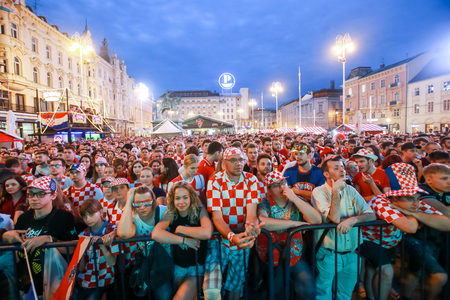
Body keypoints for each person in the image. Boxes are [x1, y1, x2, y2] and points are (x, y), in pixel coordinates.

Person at [361, 163, 450, 300]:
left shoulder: (412, 204)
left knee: (373, 271)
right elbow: (410, 228)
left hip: (388, 242)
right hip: (368, 240)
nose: (416, 203)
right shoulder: (380, 201)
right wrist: (412, 215)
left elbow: (447, 223)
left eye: (417, 198)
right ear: (394, 198)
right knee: (385, 271)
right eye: (409, 198)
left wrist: (414, 213)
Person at [311, 156, 376, 300]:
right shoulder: (318, 192)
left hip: (352, 254)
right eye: (336, 168)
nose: (342, 170)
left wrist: (353, 220)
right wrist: (335, 191)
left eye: (342, 166)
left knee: (344, 295)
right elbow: (333, 218)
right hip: (328, 253)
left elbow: (371, 215)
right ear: (326, 174)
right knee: (323, 293)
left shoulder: (351, 190)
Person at [2, 176, 78, 297]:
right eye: (31, 194)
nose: (34, 198)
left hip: (53, 280)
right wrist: (7, 236)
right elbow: (16, 248)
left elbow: (73, 248)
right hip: (27, 281)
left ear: (53, 196)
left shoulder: (63, 217)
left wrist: (49, 240)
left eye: (41, 194)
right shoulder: (23, 218)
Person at [203, 147, 263, 300]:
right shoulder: (215, 180)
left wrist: (251, 230)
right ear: (224, 164)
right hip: (218, 240)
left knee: (235, 285)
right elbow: (217, 217)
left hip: (241, 238)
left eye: (241, 160)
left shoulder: (251, 180)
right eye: (234, 160)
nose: (239, 163)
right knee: (211, 288)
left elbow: (251, 213)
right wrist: (232, 237)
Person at [257, 171, 322, 300]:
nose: (282, 187)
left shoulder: (296, 201)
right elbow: (263, 222)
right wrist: (294, 223)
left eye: (283, 182)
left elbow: (317, 220)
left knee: (308, 289)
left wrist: (295, 198)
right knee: (276, 292)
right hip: (271, 255)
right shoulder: (265, 203)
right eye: (276, 185)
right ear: (269, 190)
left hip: (294, 254)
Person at [152, 182, 212, 300]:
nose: (181, 202)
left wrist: (180, 228)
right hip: (178, 267)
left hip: (196, 267)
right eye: (177, 198)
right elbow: (156, 234)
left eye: (185, 197)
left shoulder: (199, 210)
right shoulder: (171, 213)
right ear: (172, 200)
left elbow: (207, 233)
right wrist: (185, 240)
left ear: (191, 197)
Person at [402, 163, 450, 300]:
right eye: (444, 178)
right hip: (417, 239)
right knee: (439, 276)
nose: (449, 181)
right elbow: (446, 213)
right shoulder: (421, 192)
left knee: (414, 272)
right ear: (429, 179)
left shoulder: (445, 192)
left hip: (435, 239)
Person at [116, 185, 171, 299]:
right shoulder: (134, 217)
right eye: (137, 203)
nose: (142, 207)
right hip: (151, 265)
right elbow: (124, 233)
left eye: (147, 203)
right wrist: (129, 200)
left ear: (153, 201)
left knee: (165, 294)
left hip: (169, 260)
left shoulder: (163, 211)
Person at [76, 199, 119, 300]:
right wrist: (81, 252)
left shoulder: (112, 230)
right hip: (85, 280)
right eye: (85, 216)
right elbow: (81, 268)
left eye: (91, 214)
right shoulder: (83, 235)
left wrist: (102, 245)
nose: (88, 219)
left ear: (100, 211)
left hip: (105, 279)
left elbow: (112, 262)